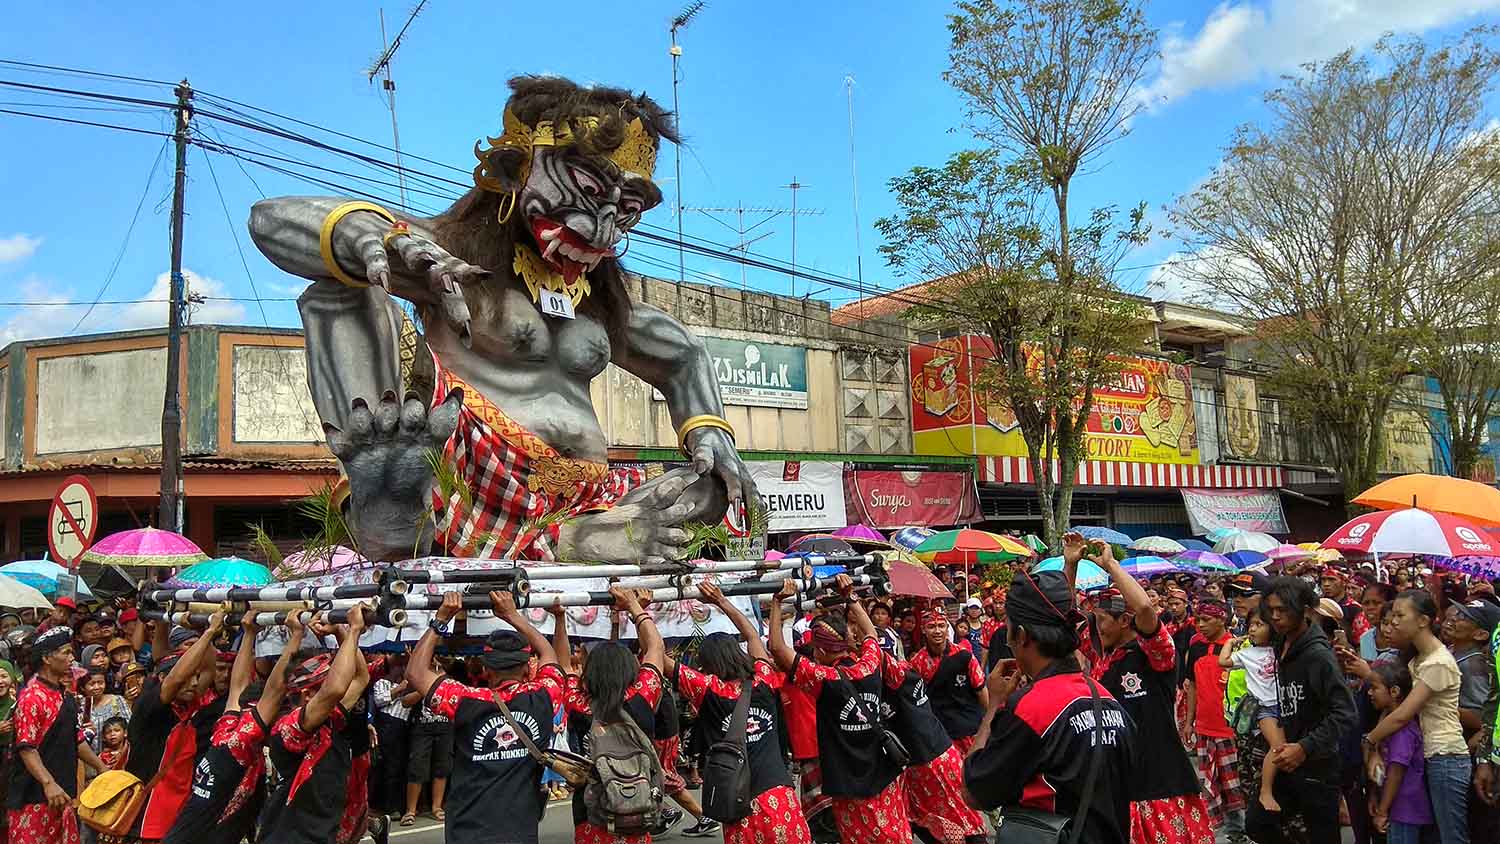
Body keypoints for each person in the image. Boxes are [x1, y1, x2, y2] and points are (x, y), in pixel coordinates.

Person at [962, 569, 1135, 844]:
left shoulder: (1032, 708)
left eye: (1008, 625)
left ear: (1021, 635)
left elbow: (974, 792)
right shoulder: (1107, 699)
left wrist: (993, 705)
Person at [1072, 536, 1213, 844]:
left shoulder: (1156, 654)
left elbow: (1146, 609)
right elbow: (1063, 621)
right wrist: (1071, 564)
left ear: (1125, 620)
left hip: (1159, 783)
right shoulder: (1100, 657)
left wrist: (1111, 565)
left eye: (1102, 621)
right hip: (1117, 781)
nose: (1095, 629)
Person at [407, 590, 567, 844]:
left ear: (486, 669)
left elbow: (415, 673)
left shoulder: (466, 700)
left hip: (468, 829)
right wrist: (513, 615)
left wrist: (441, 618)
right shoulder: (544, 695)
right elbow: (550, 656)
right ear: (527, 668)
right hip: (520, 830)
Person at [667, 581, 813, 844]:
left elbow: (658, 658)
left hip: (737, 802)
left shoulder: (709, 689)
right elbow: (753, 637)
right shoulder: (764, 679)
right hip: (778, 795)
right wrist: (722, 600)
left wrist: (638, 611)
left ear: (708, 664)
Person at [769, 574, 909, 844]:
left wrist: (777, 602)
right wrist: (851, 597)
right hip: (883, 775)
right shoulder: (870, 663)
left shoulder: (823, 679)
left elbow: (776, 648)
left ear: (819, 652)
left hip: (847, 785)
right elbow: (870, 633)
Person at [161, 611, 303, 844]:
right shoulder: (240, 743)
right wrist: (296, 636)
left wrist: (249, 633)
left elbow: (237, 686)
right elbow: (275, 690)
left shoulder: (225, 731)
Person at [1244, 576, 1355, 844]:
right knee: (1258, 823)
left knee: (1323, 836)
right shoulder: (1280, 645)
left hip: (1318, 765)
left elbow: (1345, 713)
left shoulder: (1318, 656)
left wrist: (1305, 747)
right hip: (1288, 759)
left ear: (1305, 611)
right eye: (1271, 610)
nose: (1276, 616)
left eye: (1283, 610)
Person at [1364, 589, 1472, 844]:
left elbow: (1402, 715)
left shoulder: (1438, 662)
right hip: (1429, 755)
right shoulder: (1419, 660)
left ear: (1423, 620)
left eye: (1401, 615)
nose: (1394, 622)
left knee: (1452, 837)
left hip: (1446, 756)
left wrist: (1370, 740)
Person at [257, 606, 370, 844]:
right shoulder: (289, 728)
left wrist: (341, 631)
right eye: (323, 686)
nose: (333, 689)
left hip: (322, 832)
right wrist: (355, 630)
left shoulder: (329, 719)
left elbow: (360, 677)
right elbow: (336, 688)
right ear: (308, 695)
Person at [570, 586, 669, 844]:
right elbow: (655, 647)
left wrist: (559, 619)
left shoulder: (579, 705)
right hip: (637, 809)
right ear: (629, 669)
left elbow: (558, 663)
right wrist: (635, 607)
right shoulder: (642, 696)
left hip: (593, 816)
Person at [126, 614, 228, 841]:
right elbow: (175, 679)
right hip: (147, 813)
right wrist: (210, 632)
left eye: (196, 678)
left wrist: (207, 631)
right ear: (162, 678)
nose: (195, 683)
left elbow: (209, 671)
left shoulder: (186, 704)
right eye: (190, 677)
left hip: (179, 810)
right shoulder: (149, 707)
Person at [9, 626, 105, 844]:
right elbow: (26, 747)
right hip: (34, 797)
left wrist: (101, 768)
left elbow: (76, 739)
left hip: (63, 796)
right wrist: (48, 783)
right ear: (47, 658)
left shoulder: (64, 695)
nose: (72, 658)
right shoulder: (32, 697)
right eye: (66, 653)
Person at [1183, 599, 1244, 833]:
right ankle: (1220, 830)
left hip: (1230, 728)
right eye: (1198, 620)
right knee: (1211, 782)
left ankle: (1239, 830)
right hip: (1204, 727)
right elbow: (1193, 687)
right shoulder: (1196, 646)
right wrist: (1189, 722)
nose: (1200, 625)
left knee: (1234, 784)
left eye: (1206, 620)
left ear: (1222, 619)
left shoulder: (1237, 647)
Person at [1218, 604, 1284, 815]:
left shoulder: (1281, 648)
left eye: (1259, 624)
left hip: (1283, 706)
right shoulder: (1247, 653)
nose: (1253, 629)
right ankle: (1266, 790)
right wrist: (1230, 642)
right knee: (1277, 747)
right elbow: (1223, 661)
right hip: (1264, 708)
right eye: (1251, 625)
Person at [1366, 662, 1432, 844]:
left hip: (1404, 810)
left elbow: (1395, 773)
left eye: (1374, 688)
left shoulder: (1403, 731)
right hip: (1394, 806)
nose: (1369, 693)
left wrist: (1382, 811)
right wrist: (1374, 796)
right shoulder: (1386, 726)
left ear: (1394, 692)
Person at [909, 611, 988, 754]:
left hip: (970, 728)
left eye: (941, 626)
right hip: (941, 734)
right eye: (932, 627)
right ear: (923, 630)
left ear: (947, 628)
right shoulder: (917, 663)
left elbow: (981, 689)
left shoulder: (964, 655)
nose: (937, 631)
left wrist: (989, 723)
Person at [403, 650, 453, 826]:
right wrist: (425, 688)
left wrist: (441, 679)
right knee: (416, 766)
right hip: (422, 728)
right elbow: (405, 701)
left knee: (442, 767)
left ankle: (437, 807)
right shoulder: (417, 677)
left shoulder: (448, 678)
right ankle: (410, 810)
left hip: (445, 727)